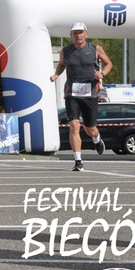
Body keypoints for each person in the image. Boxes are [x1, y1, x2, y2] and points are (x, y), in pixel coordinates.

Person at [50, 22, 112, 171]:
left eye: (80, 32)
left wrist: (102, 74)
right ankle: (78, 161)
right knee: (74, 125)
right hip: (72, 93)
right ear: (71, 35)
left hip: (90, 93)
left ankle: (97, 139)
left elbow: (109, 63)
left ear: (86, 34)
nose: (78, 35)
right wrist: (56, 74)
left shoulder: (95, 49)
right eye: (75, 33)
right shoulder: (66, 51)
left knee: (90, 128)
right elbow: (62, 64)